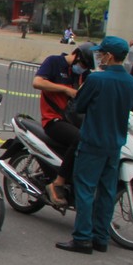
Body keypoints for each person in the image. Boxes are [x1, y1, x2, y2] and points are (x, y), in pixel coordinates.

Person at [57, 36, 133, 255]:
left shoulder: (97, 80)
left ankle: (82, 238)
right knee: (106, 192)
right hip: (114, 145)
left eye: (102, 53)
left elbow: (79, 105)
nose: (100, 56)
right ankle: (100, 238)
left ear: (110, 56)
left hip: (92, 142)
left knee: (85, 190)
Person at [32, 43, 95, 206]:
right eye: (83, 64)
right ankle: (58, 182)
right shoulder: (53, 62)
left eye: (87, 67)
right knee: (81, 138)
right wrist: (65, 90)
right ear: (77, 56)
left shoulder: (85, 74)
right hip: (54, 120)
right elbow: (37, 82)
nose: (83, 68)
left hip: (74, 120)